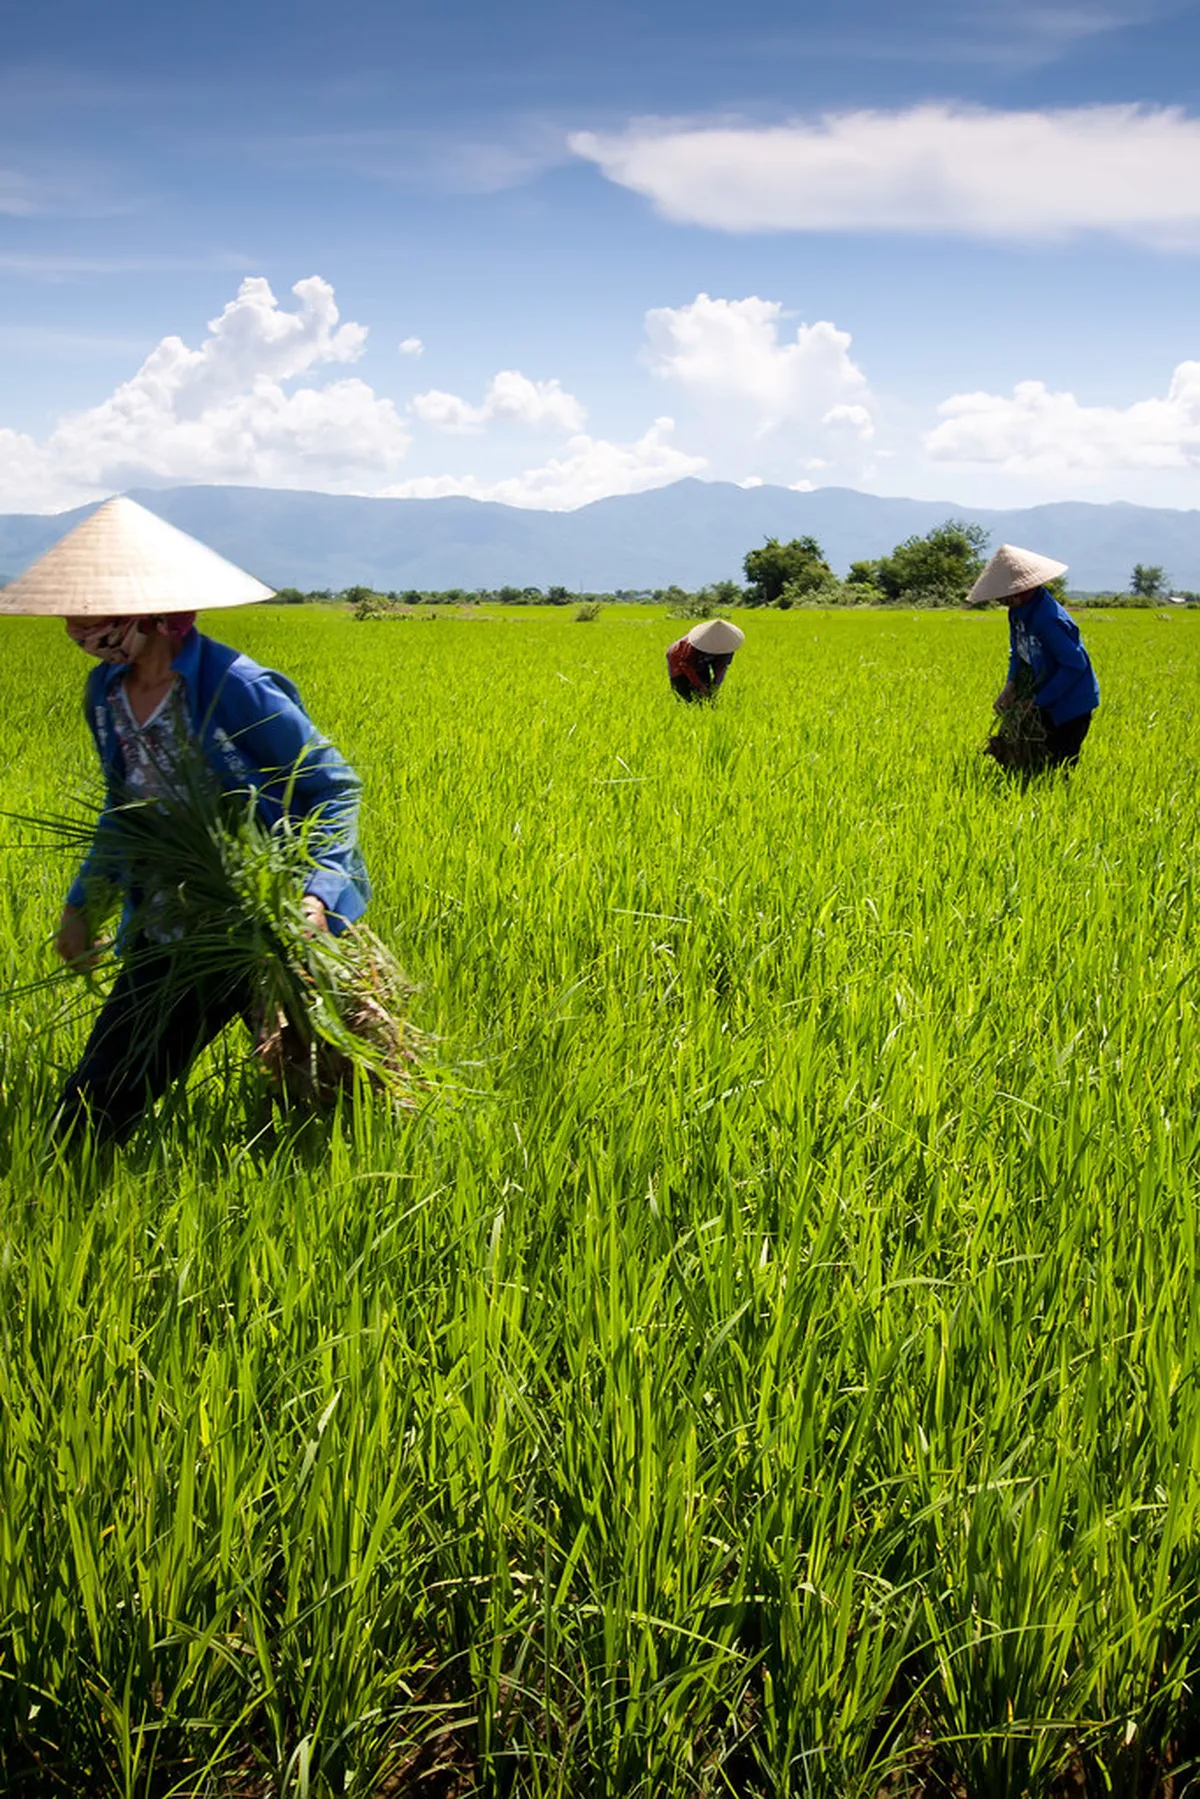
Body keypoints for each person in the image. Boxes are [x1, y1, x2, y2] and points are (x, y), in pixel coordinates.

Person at [0, 496, 369, 1146]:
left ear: (150, 613)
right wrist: (84, 904)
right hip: (170, 923)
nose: (75, 630)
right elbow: (127, 810)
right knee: (96, 1102)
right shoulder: (106, 695)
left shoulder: (234, 685)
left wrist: (318, 894)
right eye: (71, 616)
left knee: (326, 1101)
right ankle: (68, 1188)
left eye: (89, 615)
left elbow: (330, 786)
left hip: (262, 919)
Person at [970, 543, 1100, 769]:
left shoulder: (1048, 619)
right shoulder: (1017, 612)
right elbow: (1019, 652)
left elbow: (1074, 665)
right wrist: (1010, 686)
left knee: (1057, 770)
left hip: (1070, 705)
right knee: (1023, 763)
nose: (999, 600)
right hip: (1044, 697)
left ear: (1020, 590)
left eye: (1003, 594)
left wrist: (1037, 702)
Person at [666, 618, 745, 701]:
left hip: (702, 661)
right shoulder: (693, 646)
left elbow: (722, 666)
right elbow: (686, 665)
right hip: (679, 658)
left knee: (706, 690)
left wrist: (716, 685)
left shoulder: (727, 647)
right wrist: (699, 686)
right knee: (684, 693)